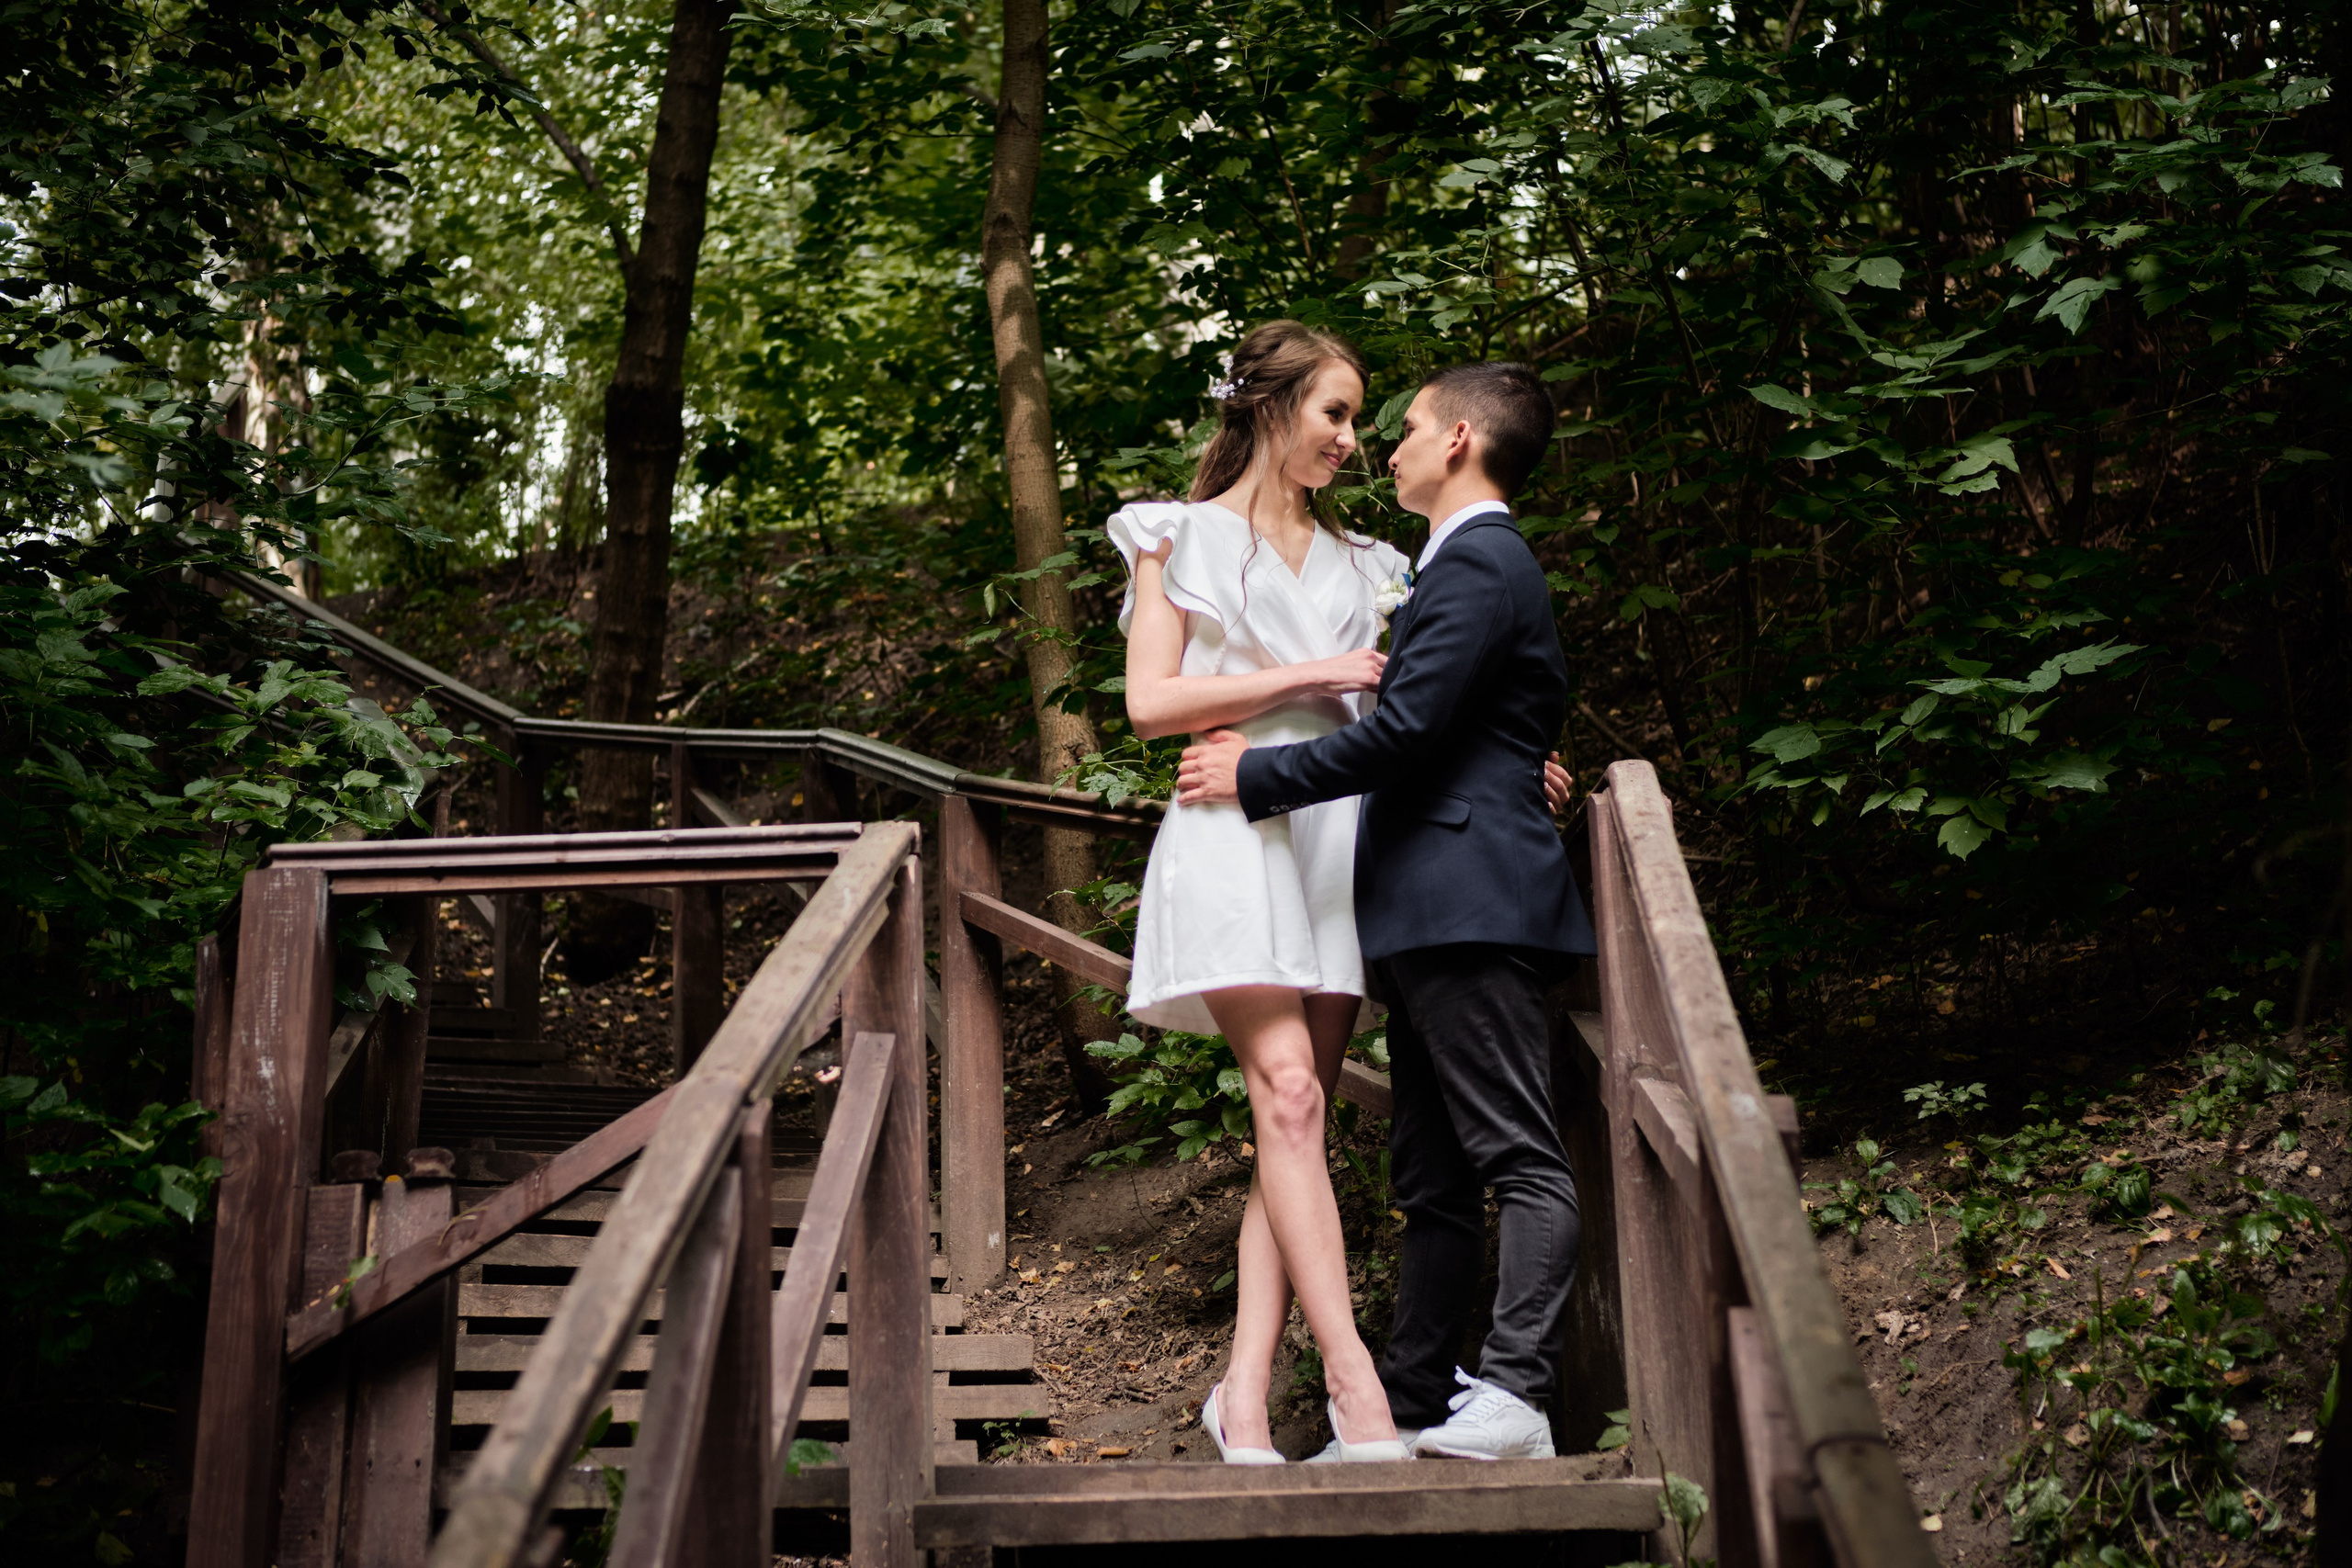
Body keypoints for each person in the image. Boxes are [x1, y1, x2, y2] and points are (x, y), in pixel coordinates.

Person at [1175, 361, 1597, 1462]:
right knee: (1431, 1176)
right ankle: (1411, 1406)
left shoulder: (1482, 560)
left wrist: (1254, 777)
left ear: (1457, 440)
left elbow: (1407, 731)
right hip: (1420, 907)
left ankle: (1517, 1392)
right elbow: (1467, 716)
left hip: (1469, 898)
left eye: (1404, 427)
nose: (1385, 446)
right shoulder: (1445, 567)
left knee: (1518, 1154)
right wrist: (1514, 755)